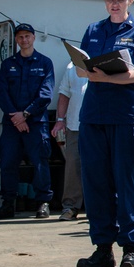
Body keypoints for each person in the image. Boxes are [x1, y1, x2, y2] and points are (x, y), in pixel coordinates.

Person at [74, 0, 134, 267]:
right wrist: (97, 75)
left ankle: (131, 248)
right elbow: (82, 68)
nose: (114, 4)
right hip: (94, 116)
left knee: (126, 183)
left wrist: (102, 76)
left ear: (130, 1)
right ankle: (102, 248)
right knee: (96, 184)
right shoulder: (94, 30)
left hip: (125, 118)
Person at [0, 23, 55, 220]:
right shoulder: (8, 64)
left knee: (40, 163)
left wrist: (25, 114)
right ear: (16, 40)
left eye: (27, 36)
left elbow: (46, 94)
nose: (24, 40)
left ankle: (43, 203)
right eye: (20, 37)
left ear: (33, 38)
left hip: (35, 123)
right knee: (8, 162)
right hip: (12, 124)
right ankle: (8, 203)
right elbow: (2, 95)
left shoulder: (44, 63)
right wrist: (17, 118)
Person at [50, 62, 87, 222]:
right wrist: (59, 120)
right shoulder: (72, 66)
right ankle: (70, 206)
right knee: (73, 166)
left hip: (100, 125)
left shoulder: (106, 62)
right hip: (75, 125)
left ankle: (100, 209)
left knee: (101, 168)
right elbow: (64, 94)